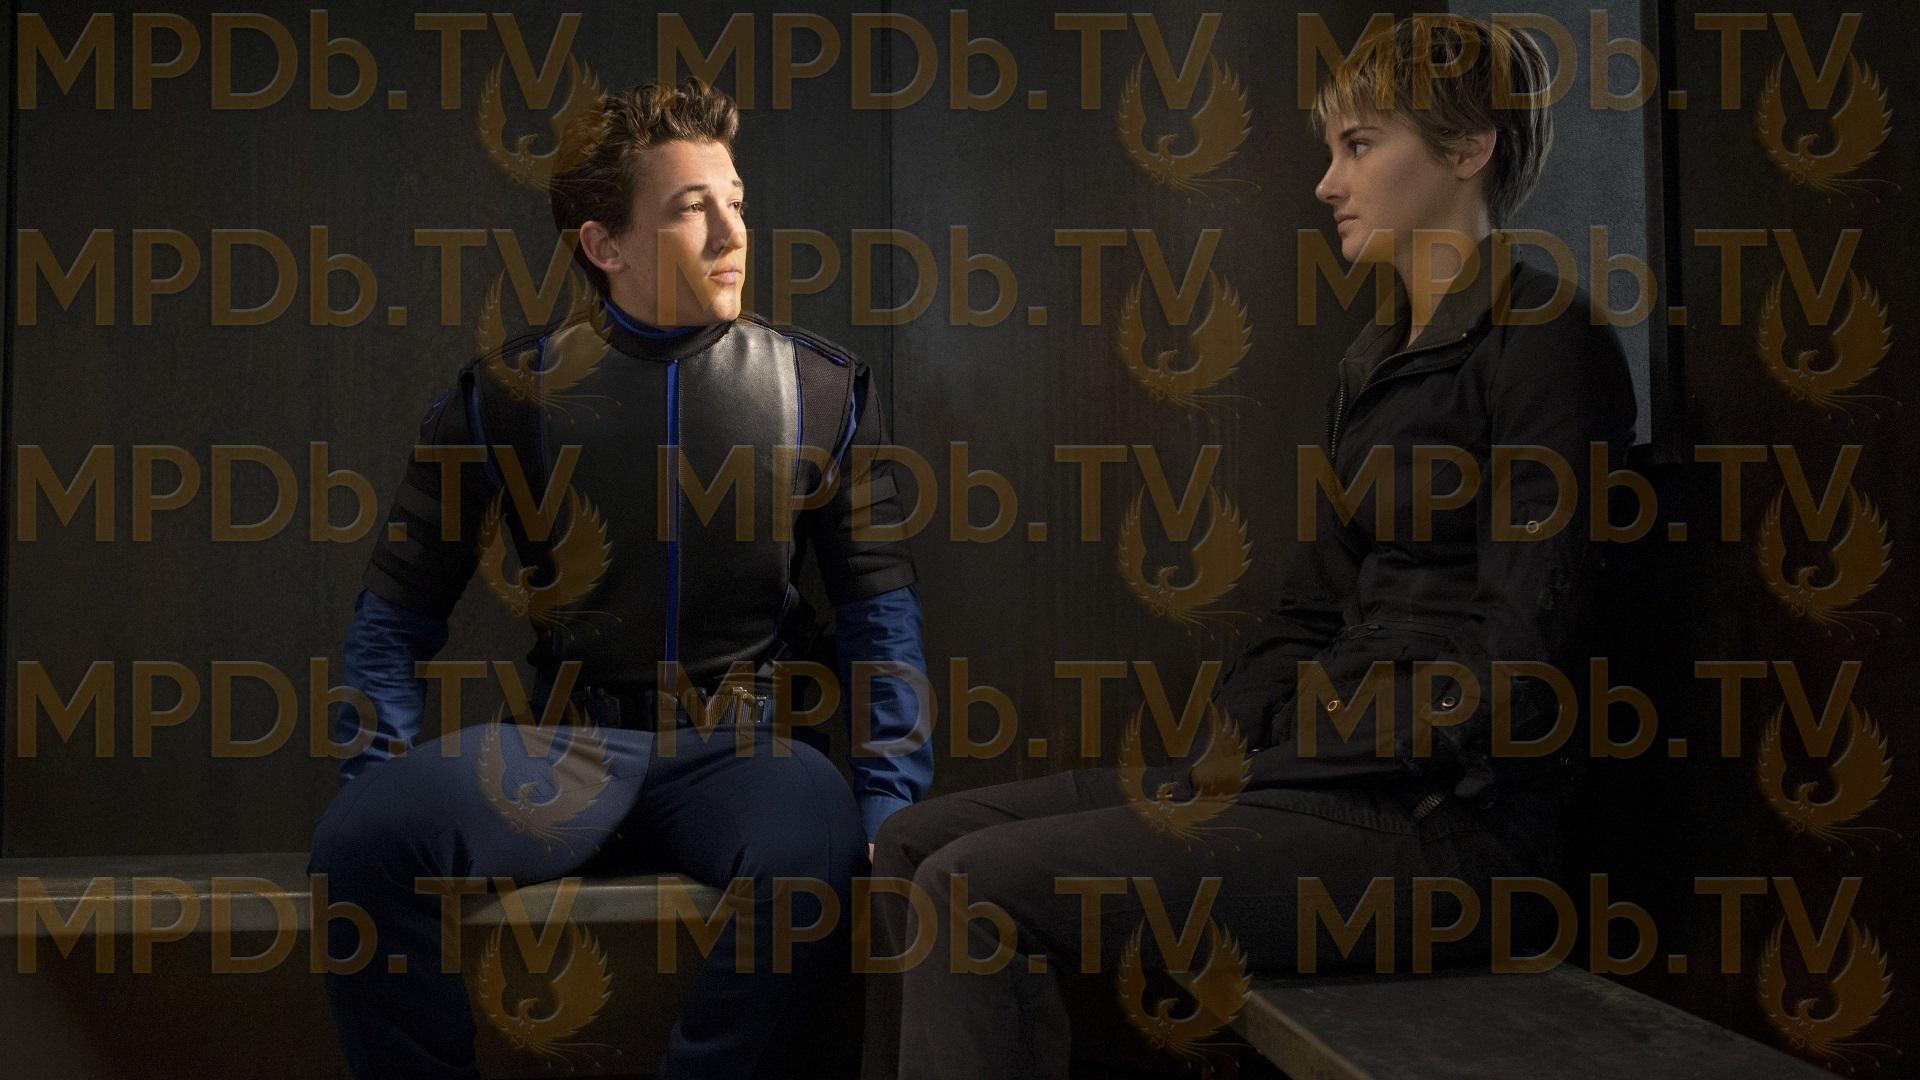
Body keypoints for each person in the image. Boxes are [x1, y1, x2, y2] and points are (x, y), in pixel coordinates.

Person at [861, 16, 1638, 1080]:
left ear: (1468, 149)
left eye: (1359, 145)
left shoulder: (1546, 340)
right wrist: (1219, 763)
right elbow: (1308, 613)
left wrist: (1294, 763)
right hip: (1320, 785)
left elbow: (1515, 666)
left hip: (1449, 833)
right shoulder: (1375, 358)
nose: (1327, 182)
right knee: (915, 846)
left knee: (972, 889)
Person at [307, 78, 932, 1080]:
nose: (732, 233)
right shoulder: (505, 396)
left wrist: (888, 812)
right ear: (604, 245)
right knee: (358, 843)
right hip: (564, 753)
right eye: (692, 209)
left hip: (748, 757)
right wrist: (372, 777)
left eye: (737, 202)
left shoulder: (820, 391)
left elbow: (881, 623)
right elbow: (393, 621)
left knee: (816, 848)